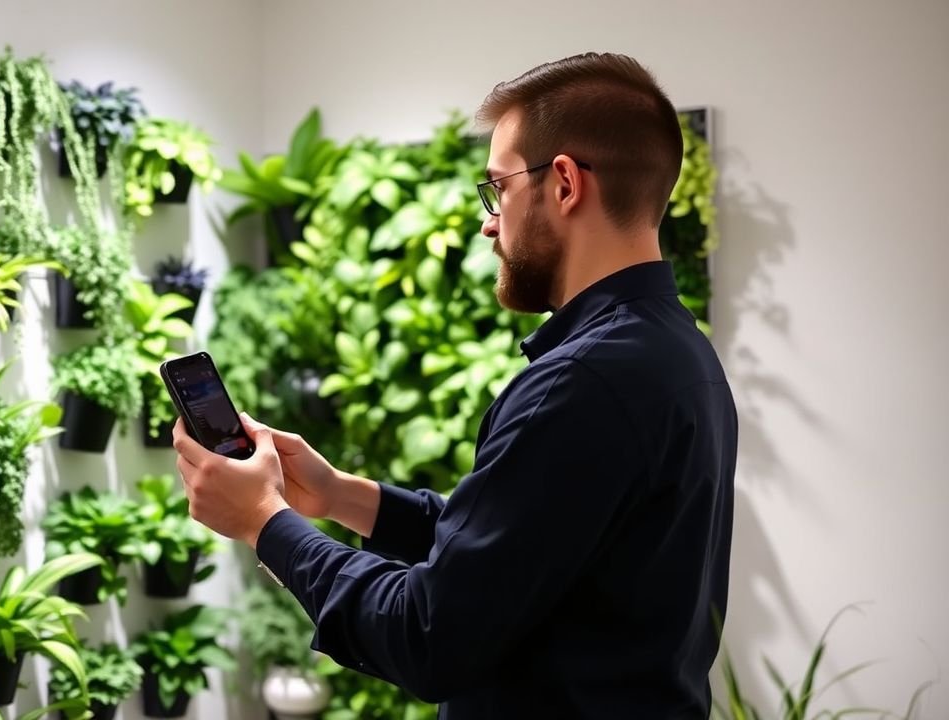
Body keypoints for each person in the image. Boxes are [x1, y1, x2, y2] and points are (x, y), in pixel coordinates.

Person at [172, 51, 738, 719]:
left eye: (498, 187)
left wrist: (265, 522)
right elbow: (515, 550)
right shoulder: (677, 352)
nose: (488, 220)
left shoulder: (585, 382)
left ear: (563, 184)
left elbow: (426, 635)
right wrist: (340, 496)